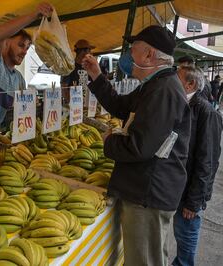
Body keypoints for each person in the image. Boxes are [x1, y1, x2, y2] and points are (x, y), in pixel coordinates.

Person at [81, 25, 191, 266]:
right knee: (151, 257)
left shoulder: (164, 91)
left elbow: (139, 146)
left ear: (149, 55)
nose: (129, 55)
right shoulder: (155, 85)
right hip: (147, 189)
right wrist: (97, 76)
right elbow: (120, 106)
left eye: (133, 49)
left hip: (148, 194)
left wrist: (110, 141)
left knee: (144, 261)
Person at [0, 3, 53, 136]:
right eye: (20, 45)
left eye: (27, 47)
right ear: (6, 42)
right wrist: (34, 15)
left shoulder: (19, 79)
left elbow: (20, 111)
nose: (24, 51)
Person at [174, 65, 222, 266]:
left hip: (191, 192)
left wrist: (194, 201)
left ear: (190, 84)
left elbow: (207, 161)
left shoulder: (205, 112)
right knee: (180, 231)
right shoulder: (183, 105)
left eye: (177, 79)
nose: (172, 83)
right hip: (179, 186)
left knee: (186, 234)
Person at [61, 39, 95, 104]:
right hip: (72, 109)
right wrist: (73, 105)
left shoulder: (87, 67)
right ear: (83, 51)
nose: (90, 53)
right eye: (89, 50)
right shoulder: (69, 67)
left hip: (84, 107)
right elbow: (64, 89)